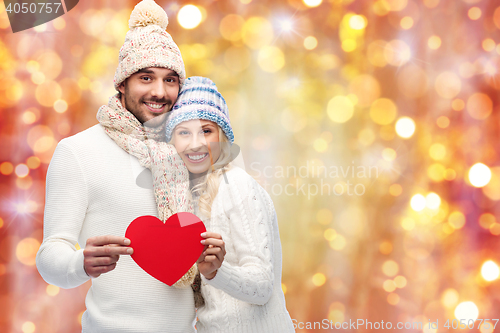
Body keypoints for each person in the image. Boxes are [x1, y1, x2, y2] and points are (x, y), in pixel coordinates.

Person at [35, 1, 224, 332]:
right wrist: (80, 262)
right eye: (146, 77)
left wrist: (215, 262)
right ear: (122, 83)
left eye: (170, 80)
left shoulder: (185, 152)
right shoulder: (78, 152)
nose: (159, 92)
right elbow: (50, 257)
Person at [165, 76, 295, 333]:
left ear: (222, 136)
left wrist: (216, 273)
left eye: (206, 130)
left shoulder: (235, 185)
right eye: (183, 132)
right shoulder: (185, 199)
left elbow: (262, 285)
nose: (196, 143)